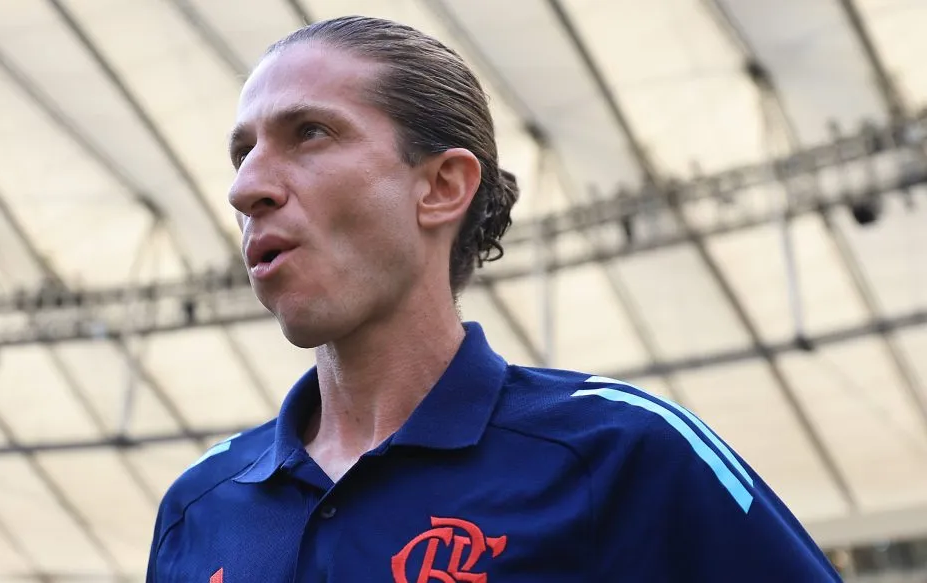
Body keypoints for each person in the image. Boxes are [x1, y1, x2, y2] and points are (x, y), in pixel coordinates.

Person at [146, 15, 841, 583]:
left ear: (443, 185)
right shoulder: (199, 505)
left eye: (310, 133)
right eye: (243, 154)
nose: (246, 188)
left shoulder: (625, 455)